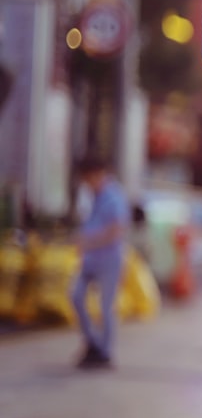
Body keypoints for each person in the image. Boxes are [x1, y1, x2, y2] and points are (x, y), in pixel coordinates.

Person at [70, 155, 131, 369]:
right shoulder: (90, 196)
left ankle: (104, 352)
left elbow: (116, 230)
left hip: (108, 260)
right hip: (90, 259)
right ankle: (92, 343)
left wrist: (89, 241)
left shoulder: (114, 196)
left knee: (106, 307)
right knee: (76, 296)